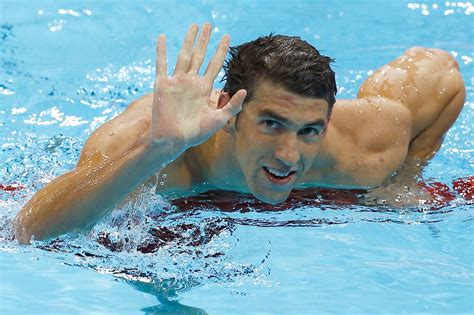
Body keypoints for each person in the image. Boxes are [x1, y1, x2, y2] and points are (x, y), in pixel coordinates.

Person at [14, 23, 465, 244]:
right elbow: (30, 230)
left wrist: (406, 174)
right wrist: (158, 147)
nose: (290, 155)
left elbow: (440, 75)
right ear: (230, 113)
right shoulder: (157, 152)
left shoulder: (361, 147)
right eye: (271, 124)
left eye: (309, 130)